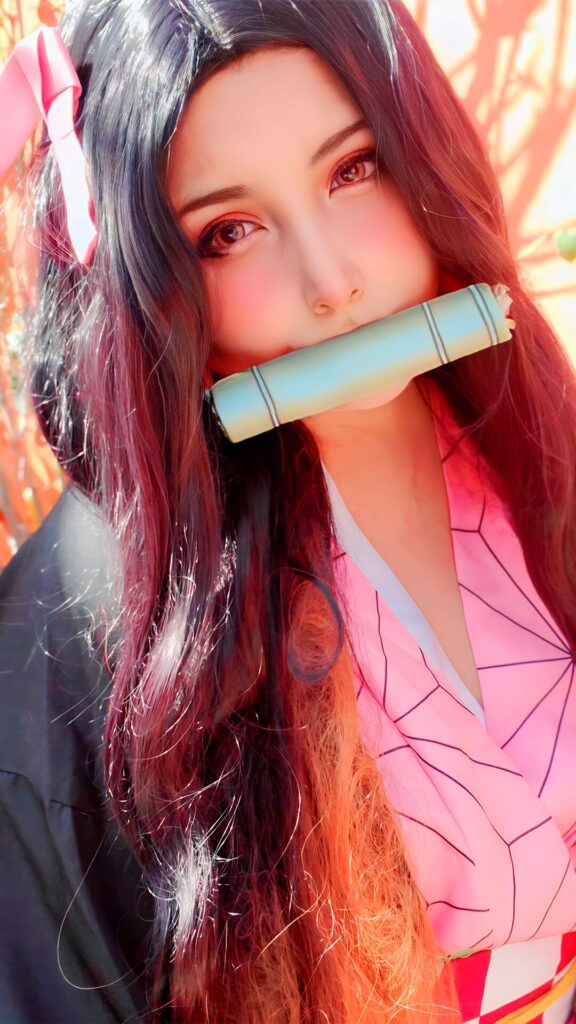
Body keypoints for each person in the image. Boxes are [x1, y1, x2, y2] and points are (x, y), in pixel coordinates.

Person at [0, 1, 575, 1021]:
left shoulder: (530, 436)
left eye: (353, 169)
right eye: (229, 232)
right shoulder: (79, 625)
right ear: (144, 286)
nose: (332, 282)